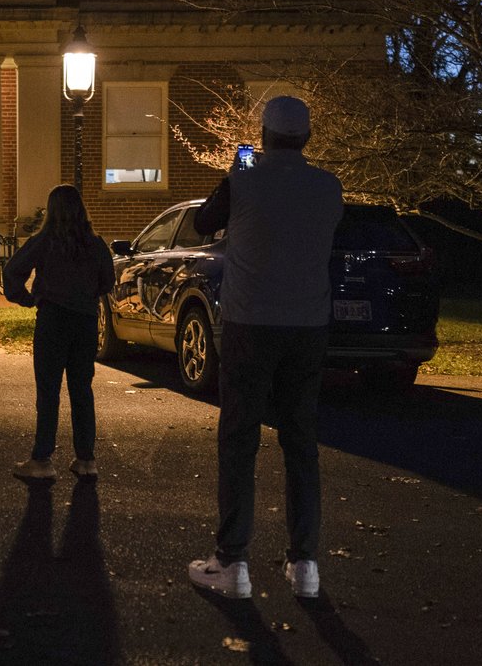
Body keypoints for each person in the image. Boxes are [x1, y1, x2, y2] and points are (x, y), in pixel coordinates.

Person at [187, 95, 343, 601]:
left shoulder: (243, 179)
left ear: (264, 135)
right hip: (308, 325)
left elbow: (203, 223)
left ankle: (232, 560)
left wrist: (238, 171)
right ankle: (305, 562)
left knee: (239, 439)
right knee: (300, 442)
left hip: (249, 322)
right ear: (307, 138)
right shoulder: (328, 187)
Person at [1, 184, 115, 481]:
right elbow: (108, 281)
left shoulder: (44, 241)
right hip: (85, 321)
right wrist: (88, 293)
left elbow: (13, 270)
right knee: (82, 389)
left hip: (53, 319)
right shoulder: (95, 243)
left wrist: (27, 299)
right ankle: (86, 458)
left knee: (48, 391)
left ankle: (42, 458)